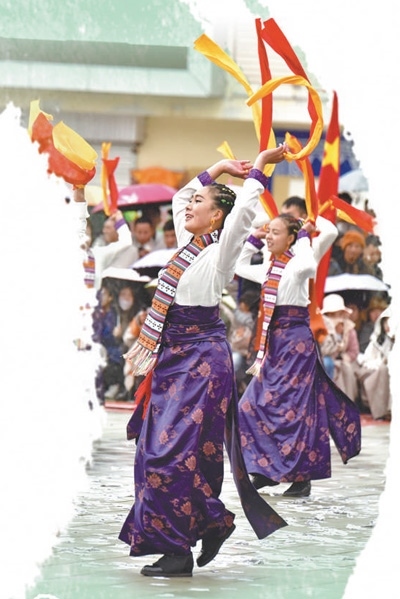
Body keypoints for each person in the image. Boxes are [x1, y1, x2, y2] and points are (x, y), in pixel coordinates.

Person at [118, 147, 289, 578]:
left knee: (172, 456)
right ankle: (210, 524)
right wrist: (220, 169)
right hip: (172, 358)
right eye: (192, 201)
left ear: (216, 217)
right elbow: (180, 197)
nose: (189, 205)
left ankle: (179, 549)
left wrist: (258, 168)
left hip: (202, 362)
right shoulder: (187, 246)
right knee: (152, 453)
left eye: (200, 202)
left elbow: (243, 213)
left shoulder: (220, 254)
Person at [235, 213, 361, 498]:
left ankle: (301, 478)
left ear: (291, 238)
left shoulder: (300, 261)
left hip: (296, 344)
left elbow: (325, 237)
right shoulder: (269, 267)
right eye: (269, 231)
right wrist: (255, 237)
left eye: (275, 232)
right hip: (274, 344)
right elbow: (239, 265)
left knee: (297, 411)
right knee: (250, 406)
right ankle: (267, 469)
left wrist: (308, 227)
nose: (270, 236)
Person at [319, 294, 360, 402]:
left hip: (347, 362)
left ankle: (348, 402)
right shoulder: (322, 329)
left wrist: (343, 358)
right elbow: (323, 350)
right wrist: (334, 335)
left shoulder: (350, 329)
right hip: (327, 360)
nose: (336, 317)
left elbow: (354, 351)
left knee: (346, 369)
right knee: (331, 366)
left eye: (339, 313)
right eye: (332, 314)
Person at [356, 306, 394, 420]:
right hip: (376, 371)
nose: (388, 326)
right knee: (382, 370)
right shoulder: (377, 340)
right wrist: (381, 362)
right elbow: (367, 359)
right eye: (385, 322)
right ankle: (382, 411)